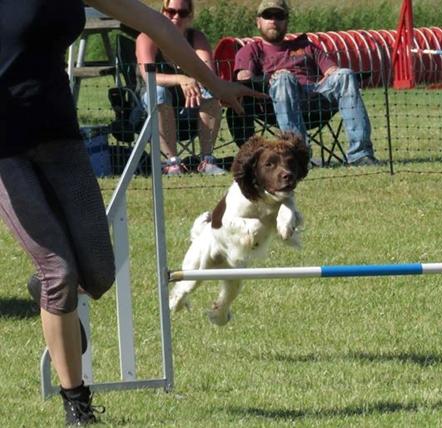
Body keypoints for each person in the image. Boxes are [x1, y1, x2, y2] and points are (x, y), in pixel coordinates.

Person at [0, 0, 264, 424]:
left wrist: (213, 82)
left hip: (57, 135)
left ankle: (52, 299)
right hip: (5, 150)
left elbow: (155, 23)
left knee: (99, 273)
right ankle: (78, 405)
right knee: (60, 273)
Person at [232, 0, 379, 166]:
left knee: (345, 74)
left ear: (286, 21)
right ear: (258, 21)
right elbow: (243, 79)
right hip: (275, 102)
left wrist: (326, 80)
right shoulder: (251, 50)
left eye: (279, 16)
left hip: (315, 100)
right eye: (268, 16)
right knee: (284, 79)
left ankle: (361, 154)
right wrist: (270, 79)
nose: (273, 20)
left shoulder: (305, 46)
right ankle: (299, 157)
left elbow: (332, 71)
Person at [136, 0, 224, 176]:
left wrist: (192, 81)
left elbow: (208, 72)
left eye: (182, 13)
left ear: (190, 16)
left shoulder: (196, 38)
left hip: (190, 102)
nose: (176, 17)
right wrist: (181, 79)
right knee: (159, 92)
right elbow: (149, 75)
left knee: (210, 90)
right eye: (171, 11)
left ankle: (207, 160)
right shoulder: (147, 37)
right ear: (163, 12)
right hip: (151, 105)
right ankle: (172, 162)